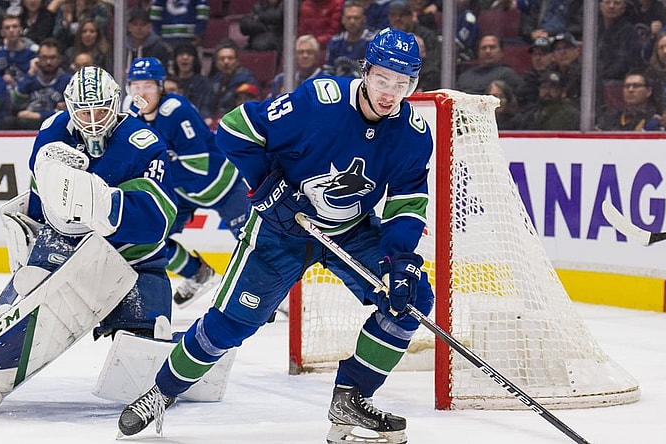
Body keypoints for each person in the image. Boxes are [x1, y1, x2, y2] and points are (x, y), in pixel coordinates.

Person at [117, 27, 435, 444]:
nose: (390, 92)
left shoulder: (413, 133)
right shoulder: (318, 101)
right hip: (279, 232)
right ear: (365, 71)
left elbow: (406, 204)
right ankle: (161, 393)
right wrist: (267, 188)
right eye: (381, 79)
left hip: (349, 230)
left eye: (402, 83)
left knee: (410, 298)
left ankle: (352, 396)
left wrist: (400, 259)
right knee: (228, 327)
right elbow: (234, 130)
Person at [0, 66, 178, 416]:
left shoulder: (143, 143)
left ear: (116, 104)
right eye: (83, 111)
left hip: (132, 259)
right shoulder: (52, 131)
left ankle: (195, 353)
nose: (92, 120)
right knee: (28, 308)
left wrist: (102, 203)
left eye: (100, 111)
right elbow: (38, 198)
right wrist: (29, 233)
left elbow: (157, 218)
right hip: (62, 244)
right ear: (68, 107)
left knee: (144, 370)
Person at [125, 57, 250, 306]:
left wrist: (153, 174)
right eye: (135, 86)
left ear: (161, 86)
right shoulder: (131, 112)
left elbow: (198, 165)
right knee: (150, 239)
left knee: (251, 241)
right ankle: (198, 272)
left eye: (148, 85)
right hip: (182, 191)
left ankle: (266, 294)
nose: (141, 93)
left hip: (221, 183)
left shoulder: (175, 110)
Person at [7, 37, 71, 129]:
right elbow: (16, 101)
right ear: (38, 58)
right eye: (44, 58)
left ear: (59, 59)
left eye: (52, 58)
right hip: (26, 126)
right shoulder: (30, 78)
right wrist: (30, 73)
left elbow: (68, 112)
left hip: (56, 126)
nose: (48, 62)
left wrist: (39, 115)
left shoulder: (67, 81)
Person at [208, 39, 259, 125]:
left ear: (237, 61)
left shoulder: (247, 81)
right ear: (216, 63)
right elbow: (206, 105)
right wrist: (206, 117)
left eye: (230, 58)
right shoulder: (214, 81)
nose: (226, 62)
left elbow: (248, 110)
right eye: (222, 59)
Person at [456, 34, 523, 94]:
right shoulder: (465, 76)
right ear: (478, 52)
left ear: (501, 52)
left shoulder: (508, 75)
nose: (488, 51)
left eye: (492, 47)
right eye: (483, 48)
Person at [595, 71, 662, 130]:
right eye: (627, 86)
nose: (630, 90)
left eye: (636, 86)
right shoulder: (610, 118)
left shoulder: (654, 119)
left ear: (649, 91)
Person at [325, 1, 376, 78]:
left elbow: (372, 73)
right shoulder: (335, 42)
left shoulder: (372, 42)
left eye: (356, 18)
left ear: (364, 19)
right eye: (349, 18)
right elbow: (328, 70)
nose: (352, 21)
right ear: (343, 20)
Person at [516, 70, 580, 130]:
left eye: (553, 88)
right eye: (544, 87)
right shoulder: (531, 113)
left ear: (563, 92)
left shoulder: (571, 115)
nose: (547, 91)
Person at [0, 14, 39, 91]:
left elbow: (37, 79)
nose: (11, 30)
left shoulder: (32, 53)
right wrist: (2, 80)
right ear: (2, 32)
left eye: (15, 27)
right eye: (7, 28)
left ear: (21, 30)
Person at [172, 42, 214, 125]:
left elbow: (205, 107)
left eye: (189, 54)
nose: (185, 57)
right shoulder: (169, 83)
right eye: (181, 54)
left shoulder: (204, 83)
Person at [126, 7, 171, 71]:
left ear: (150, 27)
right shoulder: (121, 48)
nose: (139, 28)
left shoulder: (160, 48)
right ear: (129, 27)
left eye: (143, 24)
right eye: (135, 24)